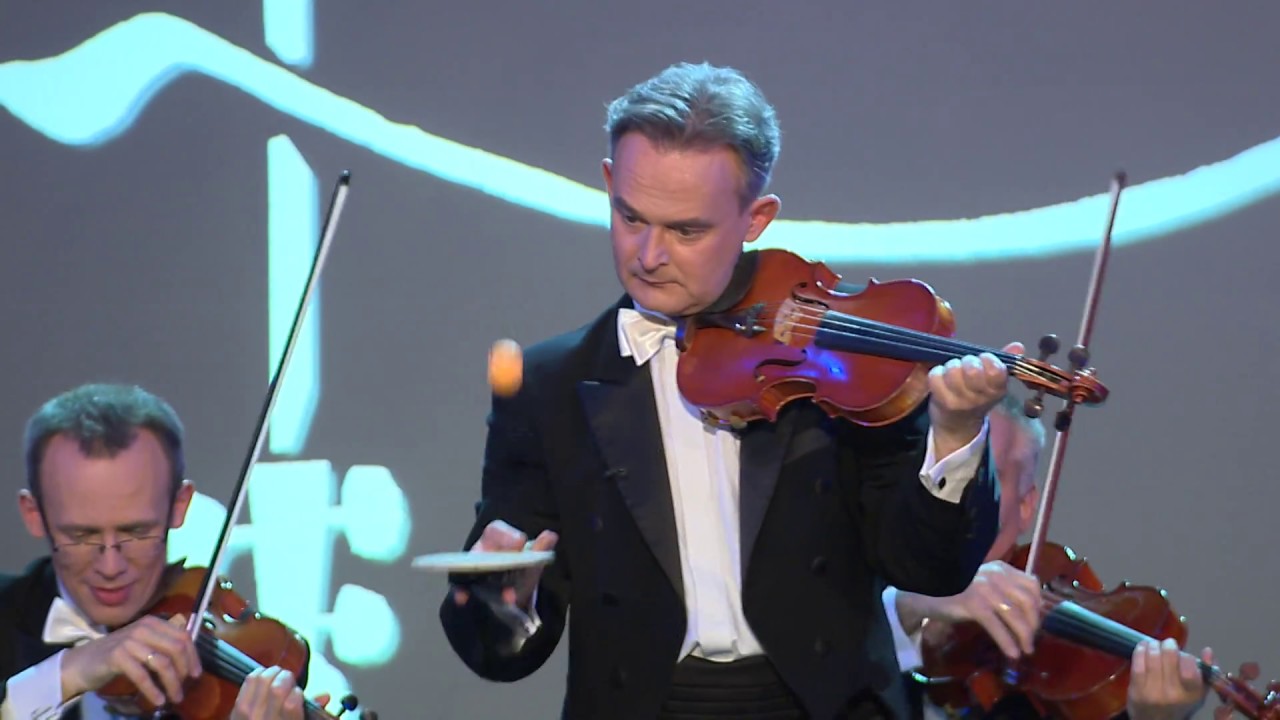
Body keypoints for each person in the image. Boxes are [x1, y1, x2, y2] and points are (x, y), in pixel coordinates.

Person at [438, 61, 1024, 719]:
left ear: (756, 217)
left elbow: (929, 568)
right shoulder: (551, 386)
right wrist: (497, 596)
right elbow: (502, 655)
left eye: (687, 230)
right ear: (608, 182)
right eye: (631, 217)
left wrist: (953, 433)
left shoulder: (835, 363)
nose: (649, 255)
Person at [1, 383, 321, 720]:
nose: (110, 566)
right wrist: (72, 671)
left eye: (137, 532)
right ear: (34, 514)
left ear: (179, 506)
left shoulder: (250, 667)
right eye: (81, 535)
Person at [884, 395, 1209, 720]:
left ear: (1025, 506)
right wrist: (912, 607)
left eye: (986, 477)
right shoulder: (849, 596)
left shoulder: (1046, 683)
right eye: (940, 474)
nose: (955, 499)